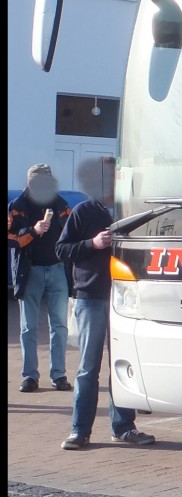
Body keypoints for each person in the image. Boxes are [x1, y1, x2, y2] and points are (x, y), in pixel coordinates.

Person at [56, 159, 155, 450]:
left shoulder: (132, 211)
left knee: (121, 365)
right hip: (92, 298)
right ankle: (79, 431)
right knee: (88, 367)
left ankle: (123, 427)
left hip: (125, 299)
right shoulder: (83, 211)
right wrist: (93, 244)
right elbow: (61, 249)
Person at [8, 163, 73, 393]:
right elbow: (11, 239)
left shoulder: (61, 204)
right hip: (30, 271)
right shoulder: (17, 206)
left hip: (57, 270)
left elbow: (73, 233)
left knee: (59, 325)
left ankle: (59, 374)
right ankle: (30, 377)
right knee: (28, 327)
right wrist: (33, 231)